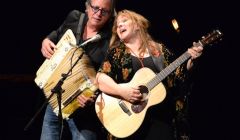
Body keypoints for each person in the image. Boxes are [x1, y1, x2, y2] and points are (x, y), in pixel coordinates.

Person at [96, 10, 203, 140]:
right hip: (127, 123)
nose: (119, 26)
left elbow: (178, 77)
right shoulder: (116, 54)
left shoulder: (160, 50)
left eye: (124, 21)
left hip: (160, 121)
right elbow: (101, 79)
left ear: (137, 25)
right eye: (117, 25)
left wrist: (191, 60)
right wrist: (122, 91)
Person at [40, 0, 116, 139]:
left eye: (104, 11)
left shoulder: (112, 40)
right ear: (87, 7)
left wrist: (93, 94)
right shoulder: (74, 17)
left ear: (111, 14)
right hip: (57, 96)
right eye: (95, 8)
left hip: (85, 108)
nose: (98, 14)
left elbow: (109, 76)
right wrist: (46, 40)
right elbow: (57, 34)